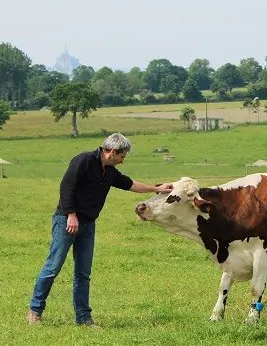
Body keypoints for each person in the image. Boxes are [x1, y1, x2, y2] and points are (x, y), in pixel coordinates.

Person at [27, 133, 173, 327]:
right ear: (112, 152)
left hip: (88, 224)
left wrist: (158, 188)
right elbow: (66, 187)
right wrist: (71, 214)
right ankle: (35, 311)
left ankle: (83, 318)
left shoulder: (110, 172)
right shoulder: (84, 161)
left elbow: (130, 184)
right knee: (53, 267)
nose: (122, 161)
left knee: (83, 273)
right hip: (67, 221)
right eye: (121, 157)